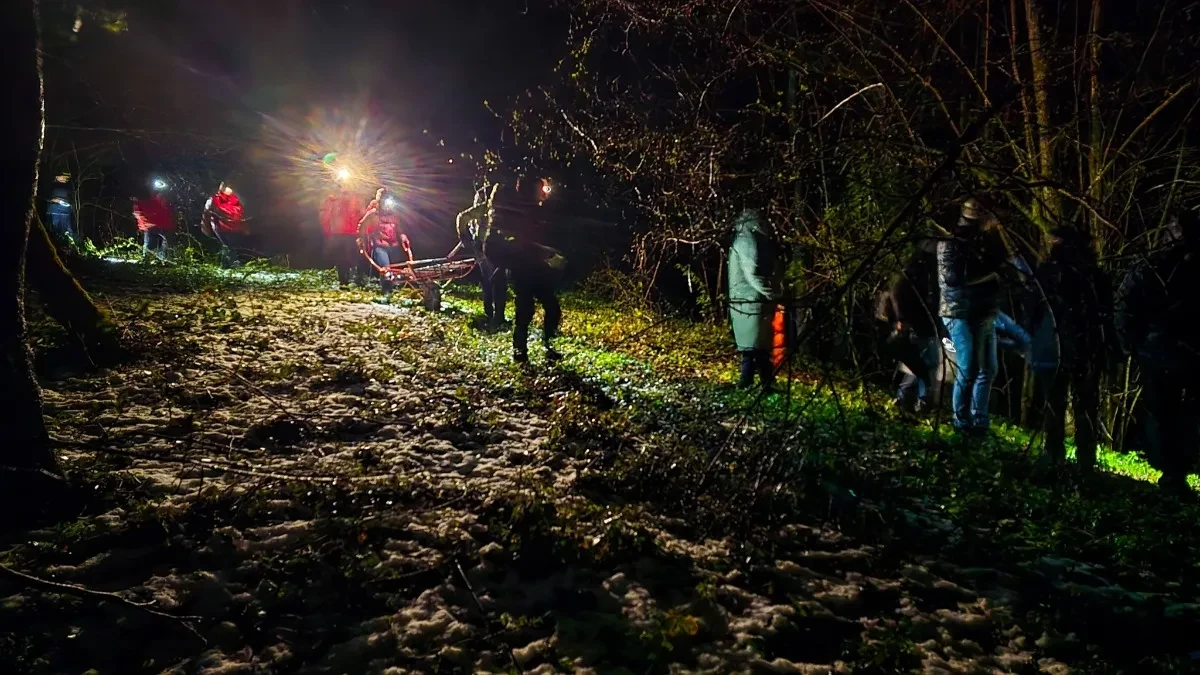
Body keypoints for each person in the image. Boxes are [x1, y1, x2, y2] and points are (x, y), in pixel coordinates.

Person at [1116, 211, 1200, 494]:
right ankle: (1172, 472)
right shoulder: (1153, 267)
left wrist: (1131, 343)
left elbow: (1126, 305)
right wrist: (1131, 342)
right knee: (1166, 413)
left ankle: (1173, 471)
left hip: (1171, 353)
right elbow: (1127, 306)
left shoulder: (1152, 266)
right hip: (1166, 352)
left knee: (1168, 413)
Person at [1029, 226, 1110, 472]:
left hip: (1059, 346)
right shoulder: (1093, 276)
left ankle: (1056, 454)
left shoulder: (1048, 273)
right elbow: (1104, 315)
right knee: (1083, 402)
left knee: (1059, 400)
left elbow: (1033, 310)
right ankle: (1083, 458)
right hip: (1082, 347)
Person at [937, 198, 1018, 434]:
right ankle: (961, 422)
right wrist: (992, 277)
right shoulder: (952, 243)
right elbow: (954, 280)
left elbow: (1004, 266)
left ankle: (979, 421)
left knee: (987, 369)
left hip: (983, 311)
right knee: (969, 367)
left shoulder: (984, 242)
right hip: (958, 311)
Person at [483, 175, 566, 363]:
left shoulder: (533, 211)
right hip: (520, 266)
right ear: (531, 191)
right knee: (525, 308)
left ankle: (549, 346)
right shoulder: (516, 212)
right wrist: (545, 252)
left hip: (535, 265)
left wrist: (549, 253)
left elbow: (535, 239)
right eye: (542, 189)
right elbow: (518, 241)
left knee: (552, 307)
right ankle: (520, 352)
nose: (545, 193)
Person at [876, 237, 943, 412]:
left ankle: (907, 398)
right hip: (917, 325)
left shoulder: (921, 271)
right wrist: (902, 320)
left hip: (923, 324)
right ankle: (918, 401)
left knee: (920, 364)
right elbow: (897, 293)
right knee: (926, 364)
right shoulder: (915, 271)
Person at [728, 208, 779, 389]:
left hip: (748, 301)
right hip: (749, 301)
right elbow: (753, 272)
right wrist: (771, 292)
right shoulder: (746, 239)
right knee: (753, 346)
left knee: (756, 346)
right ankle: (750, 382)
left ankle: (762, 382)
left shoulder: (745, 236)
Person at [450, 183, 508, 329]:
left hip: (497, 248)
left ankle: (497, 315)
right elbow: (462, 217)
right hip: (482, 247)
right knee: (491, 279)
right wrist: (464, 236)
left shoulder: (505, 211)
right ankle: (492, 314)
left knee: (498, 280)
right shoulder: (483, 208)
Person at [358, 187, 413, 300]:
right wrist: (361, 239)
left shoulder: (393, 214)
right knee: (385, 268)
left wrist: (402, 235)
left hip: (394, 245)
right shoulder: (373, 214)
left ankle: (394, 286)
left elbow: (398, 228)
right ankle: (386, 291)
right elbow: (362, 226)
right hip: (380, 246)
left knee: (396, 268)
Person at [320, 186, 364, 287]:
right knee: (340, 258)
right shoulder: (333, 202)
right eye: (343, 193)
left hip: (351, 234)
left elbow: (362, 215)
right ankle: (343, 280)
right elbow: (327, 215)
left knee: (352, 257)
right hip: (338, 234)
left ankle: (356, 277)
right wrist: (328, 231)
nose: (345, 195)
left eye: (347, 193)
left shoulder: (355, 202)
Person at [203, 184, 248, 267]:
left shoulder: (235, 199)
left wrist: (242, 225)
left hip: (233, 227)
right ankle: (234, 262)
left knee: (227, 245)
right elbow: (207, 213)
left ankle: (224, 265)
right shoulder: (214, 199)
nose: (230, 190)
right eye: (228, 187)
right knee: (229, 245)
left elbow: (240, 212)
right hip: (220, 226)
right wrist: (208, 226)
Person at [133, 189, 175, 261]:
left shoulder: (156, 202)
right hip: (152, 226)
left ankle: (155, 260)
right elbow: (139, 214)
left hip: (158, 226)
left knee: (160, 245)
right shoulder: (149, 202)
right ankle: (149, 260)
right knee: (153, 245)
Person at [46, 173, 78, 246]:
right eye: (62, 177)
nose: (64, 179)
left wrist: (63, 201)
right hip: (53, 211)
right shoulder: (51, 184)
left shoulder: (70, 187)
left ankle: (70, 247)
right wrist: (52, 199)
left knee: (67, 231)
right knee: (53, 232)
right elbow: (44, 195)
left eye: (66, 178)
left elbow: (73, 199)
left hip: (65, 212)